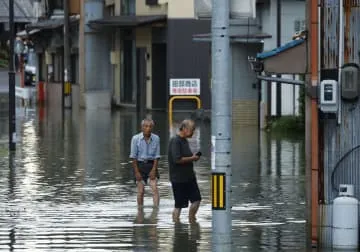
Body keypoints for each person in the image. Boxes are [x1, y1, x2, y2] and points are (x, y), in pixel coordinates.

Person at [168, 119, 202, 223]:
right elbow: (177, 159)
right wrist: (193, 158)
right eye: (192, 130)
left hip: (189, 177)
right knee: (179, 205)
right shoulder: (175, 140)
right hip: (178, 179)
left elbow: (185, 157)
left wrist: (193, 157)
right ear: (185, 129)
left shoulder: (184, 141)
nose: (193, 132)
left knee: (197, 200)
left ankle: (192, 220)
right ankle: (176, 224)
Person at [130, 118, 160, 207]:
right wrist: (136, 172)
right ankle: (140, 211)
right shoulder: (135, 139)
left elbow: (157, 156)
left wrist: (154, 170)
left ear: (152, 128)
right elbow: (133, 157)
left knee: (154, 188)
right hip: (139, 165)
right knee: (141, 190)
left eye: (150, 126)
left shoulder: (156, 138)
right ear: (142, 127)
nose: (148, 128)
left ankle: (156, 210)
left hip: (151, 165)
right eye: (146, 126)